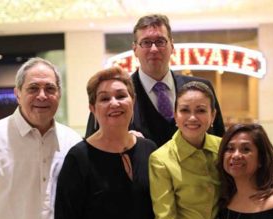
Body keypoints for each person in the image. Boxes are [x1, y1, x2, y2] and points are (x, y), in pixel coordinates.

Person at [54, 66, 159, 219]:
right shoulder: (78, 158)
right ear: (93, 108)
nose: (114, 103)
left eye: (121, 96)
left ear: (132, 101)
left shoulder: (149, 150)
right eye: (104, 98)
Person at [85, 14, 225, 146]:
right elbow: (93, 147)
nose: (154, 49)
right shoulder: (114, 95)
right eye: (146, 42)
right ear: (135, 49)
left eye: (160, 41)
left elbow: (221, 143)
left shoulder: (200, 89)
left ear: (172, 46)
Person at [0, 57, 82, 219]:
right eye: (33, 88)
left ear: (59, 94)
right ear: (18, 93)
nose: (42, 96)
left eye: (50, 89)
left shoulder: (73, 143)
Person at [149, 81, 222, 219]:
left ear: (213, 115)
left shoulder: (224, 149)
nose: (192, 117)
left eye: (201, 110)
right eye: (185, 110)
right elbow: (165, 215)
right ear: (175, 115)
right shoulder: (161, 159)